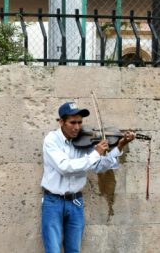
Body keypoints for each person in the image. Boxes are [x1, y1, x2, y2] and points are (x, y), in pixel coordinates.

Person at [41, 101, 136, 253]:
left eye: (80, 122)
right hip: (53, 202)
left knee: (74, 250)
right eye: (72, 122)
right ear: (61, 122)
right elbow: (65, 167)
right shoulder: (51, 140)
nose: (77, 127)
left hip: (76, 202)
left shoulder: (84, 142)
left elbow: (98, 166)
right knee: (53, 250)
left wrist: (119, 146)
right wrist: (96, 153)